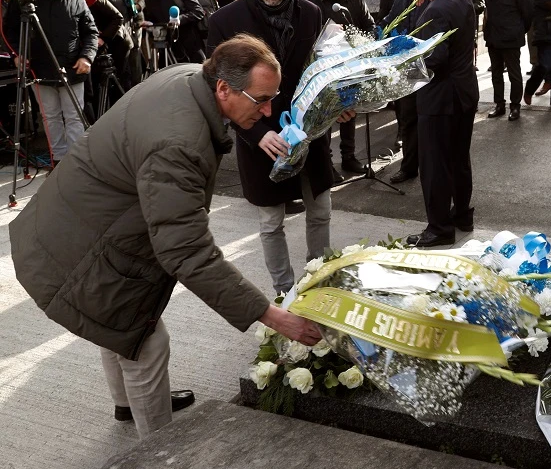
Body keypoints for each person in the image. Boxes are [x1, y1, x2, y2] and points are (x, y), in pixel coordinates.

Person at [10, 35, 325, 439]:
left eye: (273, 97)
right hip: (80, 242)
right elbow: (188, 251)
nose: (267, 111)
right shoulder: (180, 142)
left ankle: (128, 404)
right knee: (144, 342)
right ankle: (157, 448)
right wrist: (271, 315)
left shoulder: (190, 77)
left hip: (76, 221)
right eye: (260, 99)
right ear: (223, 88)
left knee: (114, 320)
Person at [207, 0, 350, 295]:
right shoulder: (226, 21)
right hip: (260, 136)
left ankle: (318, 284)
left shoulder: (312, 13)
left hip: (310, 133)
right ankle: (286, 293)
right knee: (271, 222)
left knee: (321, 212)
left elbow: (322, 71)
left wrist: (339, 104)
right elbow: (219, 93)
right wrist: (256, 134)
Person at [404, 0, 478, 248]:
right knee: (458, 158)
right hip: (463, 93)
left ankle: (439, 228)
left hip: (440, 99)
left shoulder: (436, 10)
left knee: (434, 165)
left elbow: (434, 57)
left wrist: (405, 65)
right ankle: (461, 215)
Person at [2, 0, 98, 166]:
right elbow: (8, 30)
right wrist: (18, 54)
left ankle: (77, 162)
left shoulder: (76, 0)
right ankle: (60, 160)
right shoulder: (27, 2)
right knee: (51, 117)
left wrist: (86, 57)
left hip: (73, 69)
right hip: (39, 70)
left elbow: (91, 33)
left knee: (74, 116)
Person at [303, 0, 373, 179]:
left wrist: (355, 37)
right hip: (323, 69)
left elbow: (369, 25)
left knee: (349, 114)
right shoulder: (308, 1)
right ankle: (327, 163)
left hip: (350, 66)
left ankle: (349, 156)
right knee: (326, 116)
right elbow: (304, 39)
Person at [378, 0, 428, 185]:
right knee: (407, 121)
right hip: (406, 71)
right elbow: (388, 23)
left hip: (431, 71)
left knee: (430, 122)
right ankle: (409, 166)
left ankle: (432, 167)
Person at [482, 0, 532, 121]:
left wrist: (518, 30)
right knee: (496, 73)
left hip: (511, 37)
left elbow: (527, 12)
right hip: (493, 36)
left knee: (514, 73)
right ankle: (499, 104)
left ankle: (515, 106)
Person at [134, 0, 207, 63]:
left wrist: (179, 19)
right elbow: (154, 21)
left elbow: (198, 12)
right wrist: (150, 25)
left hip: (190, 47)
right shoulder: (148, 0)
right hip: (167, 49)